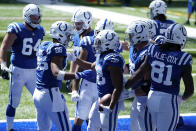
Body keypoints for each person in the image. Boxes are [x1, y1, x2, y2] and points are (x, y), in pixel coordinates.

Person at [125, 23, 194, 131]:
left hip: (151, 98)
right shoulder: (183, 58)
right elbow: (189, 90)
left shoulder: (153, 50)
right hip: (168, 100)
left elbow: (138, 73)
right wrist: (181, 100)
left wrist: (123, 86)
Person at [0, 4, 45, 131]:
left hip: (34, 72)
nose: (36, 19)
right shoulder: (16, 29)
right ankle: (9, 128)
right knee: (14, 102)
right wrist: (3, 65)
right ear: (26, 16)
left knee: (40, 102)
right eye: (33, 17)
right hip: (18, 71)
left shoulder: (40, 30)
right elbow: (4, 47)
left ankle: (41, 127)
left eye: (37, 17)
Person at [68, 30, 124, 131]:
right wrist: (75, 59)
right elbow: (90, 66)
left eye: (99, 42)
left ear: (108, 44)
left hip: (110, 100)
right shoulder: (102, 56)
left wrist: (111, 107)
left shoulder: (112, 59)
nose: (96, 45)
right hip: (101, 99)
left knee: (107, 128)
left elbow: (118, 86)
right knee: (92, 127)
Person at [33, 21, 79, 131]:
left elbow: (50, 58)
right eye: (68, 35)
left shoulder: (45, 45)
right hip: (51, 93)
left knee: (43, 129)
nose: (69, 38)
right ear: (61, 35)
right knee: (65, 128)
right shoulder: (58, 48)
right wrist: (77, 75)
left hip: (38, 93)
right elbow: (56, 73)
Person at [124, 20, 152, 131]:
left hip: (147, 98)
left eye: (131, 35)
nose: (129, 37)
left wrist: (127, 92)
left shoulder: (148, 53)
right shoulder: (134, 48)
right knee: (134, 127)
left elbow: (149, 85)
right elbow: (132, 67)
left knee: (146, 127)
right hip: (138, 95)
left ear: (139, 36)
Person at [65, 8, 94, 91]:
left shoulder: (93, 38)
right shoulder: (76, 36)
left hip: (91, 76)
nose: (76, 27)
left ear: (87, 22)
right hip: (80, 74)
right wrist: (71, 75)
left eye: (79, 24)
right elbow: (75, 58)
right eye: (75, 24)